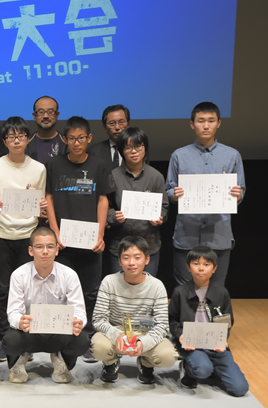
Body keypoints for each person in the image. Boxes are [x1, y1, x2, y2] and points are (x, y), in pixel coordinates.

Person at [45, 116, 115, 361]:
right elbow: (49, 198)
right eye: (72, 139)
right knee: (60, 291)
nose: (77, 143)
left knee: (90, 292)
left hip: (89, 241)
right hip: (63, 242)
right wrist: (54, 231)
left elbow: (103, 200)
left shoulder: (99, 165)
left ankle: (87, 337)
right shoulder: (54, 164)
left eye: (81, 138)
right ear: (64, 139)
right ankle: (62, 336)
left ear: (89, 138)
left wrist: (100, 233)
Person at [0, 116, 47, 360]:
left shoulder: (38, 169)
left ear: (28, 139)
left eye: (21, 136)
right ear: (4, 141)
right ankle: (3, 338)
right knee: (1, 289)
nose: (16, 140)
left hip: (28, 237)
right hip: (1, 234)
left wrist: (41, 208)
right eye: (11, 137)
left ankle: (24, 340)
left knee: (28, 290)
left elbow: (40, 203)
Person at [166, 102, 245, 287]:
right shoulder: (179, 155)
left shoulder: (232, 155)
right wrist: (174, 195)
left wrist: (238, 195)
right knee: (185, 287)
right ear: (192, 124)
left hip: (219, 234)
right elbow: (169, 189)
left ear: (219, 123)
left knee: (216, 288)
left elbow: (241, 190)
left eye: (211, 120)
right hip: (187, 233)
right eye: (201, 121)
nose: (206, 126)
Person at [2, 227, 89, 383]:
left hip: (59, 331)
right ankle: (18, 362)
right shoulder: (19, 275)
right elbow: (13, 312)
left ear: (57, 250)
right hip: (29, 331)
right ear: (30, 250)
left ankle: (62, 362)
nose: (45, 251)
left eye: (50, 247)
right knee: (10, 340)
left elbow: (79, 311)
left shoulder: (69, 275)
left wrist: (78, 322)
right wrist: (19, 321)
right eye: (39, 247)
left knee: (82, 340)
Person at [91, 236, 178, 384]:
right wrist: (116, 335)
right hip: (117, 331)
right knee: (98, 347)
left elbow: (162, 326)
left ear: (147, 259)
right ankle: (110, 363)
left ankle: (146, 364)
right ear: (119, 261)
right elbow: (98, 319)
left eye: (137, 257)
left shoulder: (157, 286)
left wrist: (143, 343)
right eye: (126, 258)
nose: (131, 262)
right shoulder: (109, 282)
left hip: (145, 333)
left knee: (168, 356)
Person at [169, 246, 248, 396]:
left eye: (206, 264)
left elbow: (227, 321)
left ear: (214, 268)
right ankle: (188, 368)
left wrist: (223, 339)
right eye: (196, 264)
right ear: (188, 267)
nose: (201, 268)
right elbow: (172, 319)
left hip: (214, 344)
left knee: (240, 389)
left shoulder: (222, 292)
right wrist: (180, 335)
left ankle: (214, 368)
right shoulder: (180, 292)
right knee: (203, 369)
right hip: (192, 345)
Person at [106, 127, 168, 276]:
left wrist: (159, 217)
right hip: (119, 246)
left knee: (147, 287)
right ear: (121, 151)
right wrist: (114, 216)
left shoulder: (156, 176)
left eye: (138, 146)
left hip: (148, 246)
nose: (134, 151)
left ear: (145, 148)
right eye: (128, 147)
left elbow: (164, 207)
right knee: (120, 287)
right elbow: (105, 207)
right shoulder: (112, 176)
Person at [87, 104, 132, 171]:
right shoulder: (94, 152)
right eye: (112, 123)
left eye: (121, 122)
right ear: (104, 126)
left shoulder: (138, 150)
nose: (117, 127)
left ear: (128, 124)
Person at [26, 96, 67, 164]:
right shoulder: (25, 143)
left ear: (57, 115)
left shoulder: (66, 143)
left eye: (50, 112)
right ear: (34, 116)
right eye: (41, 112)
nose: (46, 116)